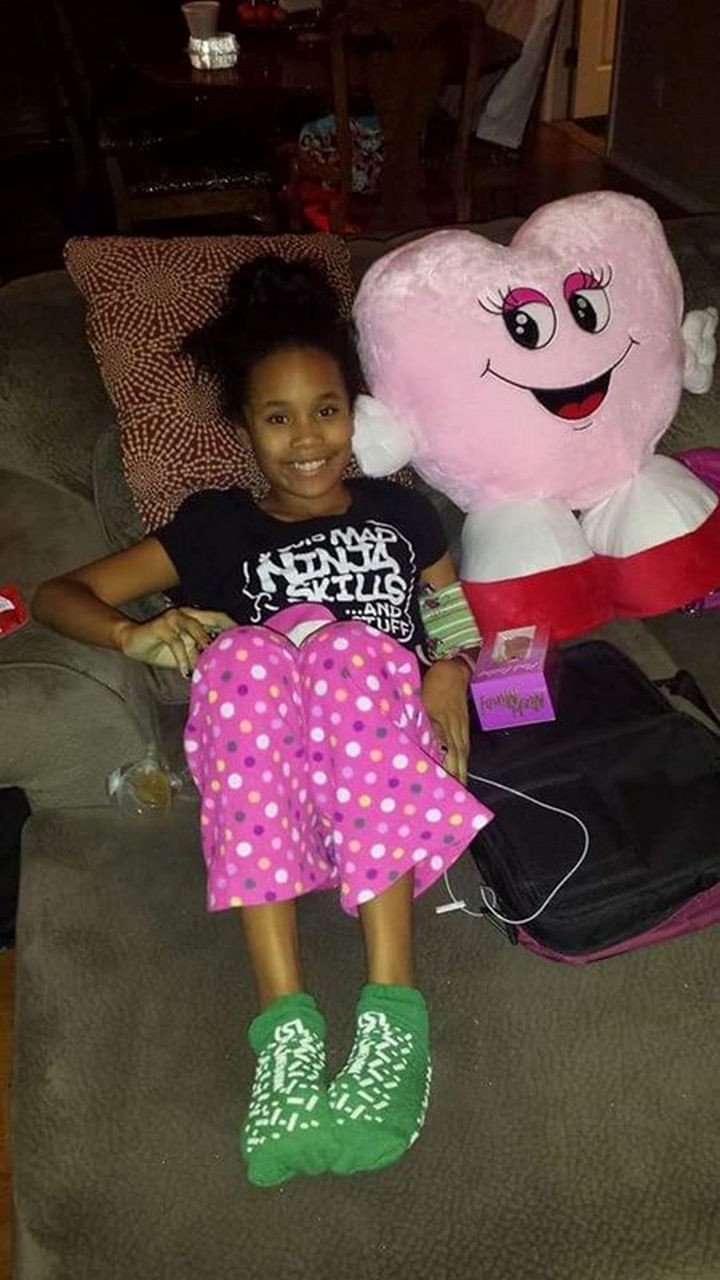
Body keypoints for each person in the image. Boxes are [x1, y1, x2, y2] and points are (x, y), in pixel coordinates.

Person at [33, 256, 492, 1188]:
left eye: (326, 410)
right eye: (278, 418)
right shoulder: (214, 527)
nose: (307, 439)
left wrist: (452, 667)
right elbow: (56, 595)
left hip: (383, 773)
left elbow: (451, 614)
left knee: (348, 650)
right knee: (242, 658)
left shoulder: (402, 512)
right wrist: (134, 632)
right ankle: (285, 1032)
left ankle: (392, 1013)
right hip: (271, 787)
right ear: (244, 427)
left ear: (353, 414)